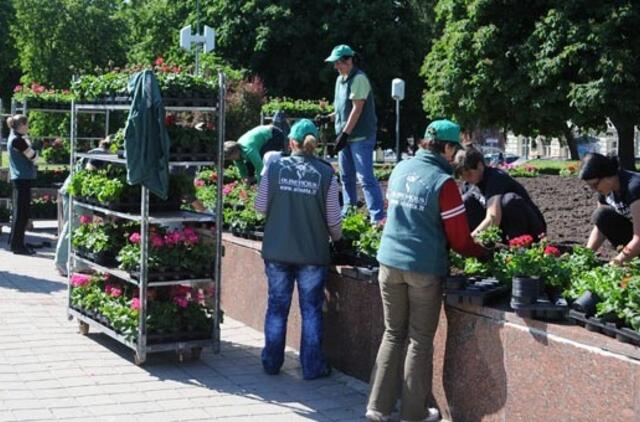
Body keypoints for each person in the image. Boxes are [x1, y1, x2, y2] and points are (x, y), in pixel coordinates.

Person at [367, 120, 489, 422]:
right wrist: (485, 253)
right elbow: (460, 239)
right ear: (446, 147)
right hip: (422, 269)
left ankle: (377, 408)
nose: (455, 157)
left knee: (393, 333)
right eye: (454, 150)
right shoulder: (442, 182)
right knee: (420, 340)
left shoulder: (400, 169)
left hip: (388, 263)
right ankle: (414, 413)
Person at [254, 119, 341, 380]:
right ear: (315, 144)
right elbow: (334, 221)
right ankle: (312, 367)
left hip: (277, 251)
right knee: (311, 310)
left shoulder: (275, 167)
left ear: (291, 142)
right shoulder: (327, 173)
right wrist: (337, 239)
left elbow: (259, 206)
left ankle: (271, 362)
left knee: (277, 306)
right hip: (313, 254)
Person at [324, 44, 385, 223]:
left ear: (349, 61)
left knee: (365, 178)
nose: (336, 66)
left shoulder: (359, 79)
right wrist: (328, 118)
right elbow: (343, 109)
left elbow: (357, 109)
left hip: (361, 136)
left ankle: (377, 218)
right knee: (346, 176)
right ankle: (349, 211)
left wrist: (344, 134)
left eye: (338, 63)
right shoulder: (340, 80)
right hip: (347, 134)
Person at [453, 146, 546, 240]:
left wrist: (469, 240)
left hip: (532, 229)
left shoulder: (495, 178)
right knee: (466, 201)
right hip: (503, 229)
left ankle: (519, 246)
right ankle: (485, 247)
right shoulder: (468, 184)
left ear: (480, 165)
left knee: (508, 200)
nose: (466, 178)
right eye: (462, 176)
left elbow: (493, 217)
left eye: (469, 174)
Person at [54, 138, 112, 276]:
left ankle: (80, 264)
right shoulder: (100, 155)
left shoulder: (99, 153)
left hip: (80, 195)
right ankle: (60, 262)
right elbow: (89, 172)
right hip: (73, 194)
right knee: (72, 227)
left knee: (84, 228)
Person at [580, 153, 640, 265]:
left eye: (595, 185)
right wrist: (585, 257)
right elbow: (600, 226)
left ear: (607, 176)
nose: (594, 190)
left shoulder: (634, 189)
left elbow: (639, 238)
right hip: (635, 241)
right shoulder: (606, 190)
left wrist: (616, 263)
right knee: (601, 214)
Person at [6, 115, 37, 255]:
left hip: (19, 179)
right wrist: (36, 147)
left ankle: (14, 242)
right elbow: (33, 156)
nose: (28, 127)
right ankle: (17, 246)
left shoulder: (14, 137)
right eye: (27, 125)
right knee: (21, 214)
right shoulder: (18, 141)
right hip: (22, 179)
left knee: (19, 212)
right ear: (22, 125)